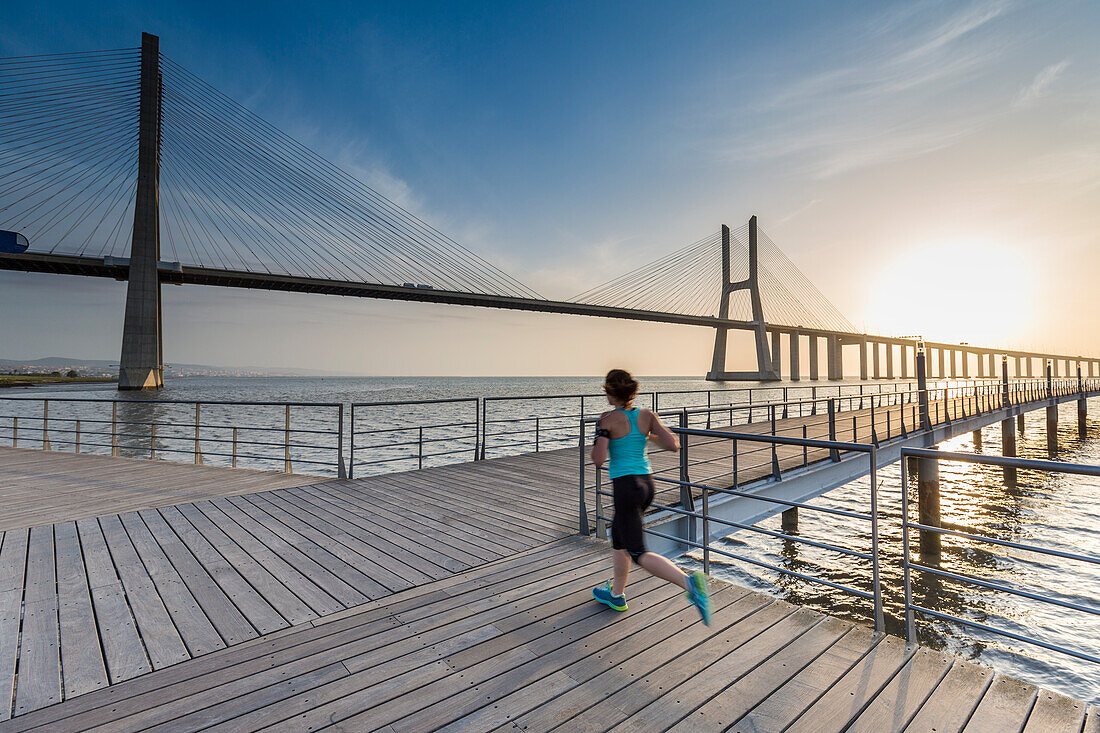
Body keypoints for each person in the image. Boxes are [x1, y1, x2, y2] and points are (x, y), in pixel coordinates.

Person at [590, 369, 712, 624]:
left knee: (638, 553)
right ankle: (617, 594)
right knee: (619, 537)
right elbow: (673, 444)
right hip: (647, 484)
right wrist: (646, 435)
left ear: (611, 392)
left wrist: (601, 434)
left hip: (626, 488)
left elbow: (599, 460)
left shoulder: (608, 420)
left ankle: (690, 584)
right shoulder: (646, 415)